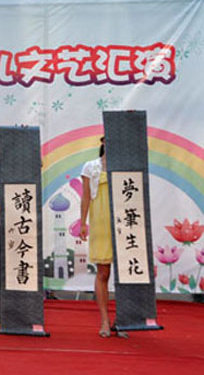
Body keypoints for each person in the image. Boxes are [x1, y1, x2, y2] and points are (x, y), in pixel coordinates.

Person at [79, 137, 127, 338]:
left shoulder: (126, 165)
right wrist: (83, 223)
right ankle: (105, 321)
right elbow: (86, 196)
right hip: (100, 221)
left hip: (124, 222)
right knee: (103, 272)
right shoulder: (91, 166)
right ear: (103, 142)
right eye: (108, 139)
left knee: (126, 275)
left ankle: (123, 321)